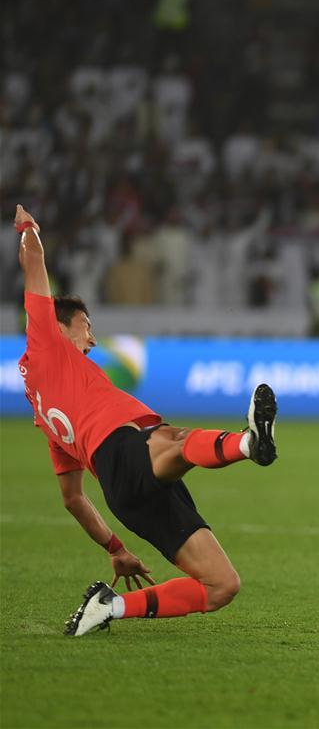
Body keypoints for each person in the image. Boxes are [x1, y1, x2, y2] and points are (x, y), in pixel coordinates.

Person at [13, 204, 279, 637]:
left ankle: (110, 606)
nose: (92, 339)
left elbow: (73, 499)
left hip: (126, 490)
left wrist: (115, 548)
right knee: (175, 439)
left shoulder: (44, 411)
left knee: (221, 585)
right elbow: (34, 259)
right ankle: (249, 444)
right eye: (86, 326)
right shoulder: (45, 343)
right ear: (58, 327)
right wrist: (29, 227)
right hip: (122, 454)